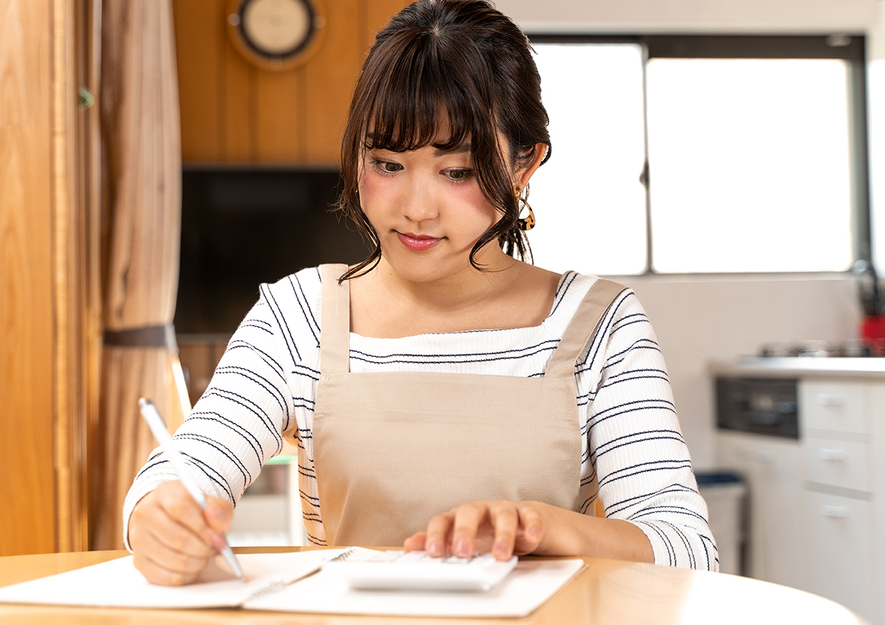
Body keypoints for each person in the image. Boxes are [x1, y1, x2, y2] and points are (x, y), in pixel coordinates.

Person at [125, 0, 717, 586]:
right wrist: (161, 519)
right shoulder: (297, 315)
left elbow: (688, 550)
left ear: (524, 164)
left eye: (456, 172)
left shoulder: (600, 324)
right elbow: (183, 474)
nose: (415, 209)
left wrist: (541, 528)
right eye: (386, 164)